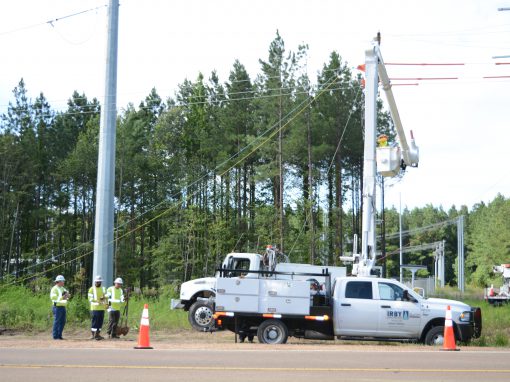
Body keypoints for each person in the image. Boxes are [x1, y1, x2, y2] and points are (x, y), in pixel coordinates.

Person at [50, 275, 70, 340]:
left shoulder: (63, 288)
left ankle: (59, 335)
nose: (63, 282)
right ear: (59, 281)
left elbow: (67, 295)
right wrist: (63, 297)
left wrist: (68, 295)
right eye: (63, 281)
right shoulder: (54, 289)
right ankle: (55, 336)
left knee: (63, 321)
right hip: (57, 307)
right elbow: (53, 297)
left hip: (62, 307)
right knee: (57, 321)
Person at [88, 275, 107, 340]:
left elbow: (106, 297)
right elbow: (90, 299)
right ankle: (93, 335)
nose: (98, 283)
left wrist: (106, 303)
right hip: (94, 309)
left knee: (100, 322)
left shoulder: (103, 288)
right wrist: (98, 301)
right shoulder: (91, 289)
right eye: (97, 282)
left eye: (99, 282)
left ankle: (98, 334)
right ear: (95, 282)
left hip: (102, 308)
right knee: (95, 322)